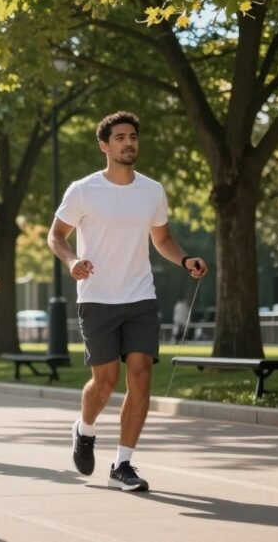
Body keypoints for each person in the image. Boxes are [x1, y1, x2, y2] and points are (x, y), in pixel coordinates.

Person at [47, 111, 208, 492]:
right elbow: (56, 235)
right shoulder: (83, 190)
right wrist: (72, 262)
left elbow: (162, 240)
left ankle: (123, 464)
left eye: (133, 136)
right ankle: (84, 430)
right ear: (104, 146)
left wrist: (185, 259)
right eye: (120, 137)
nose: (128, 142)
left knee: (140, 377)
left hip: (140, 296)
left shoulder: (152, 191)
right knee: (104, 384)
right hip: (97, 298)